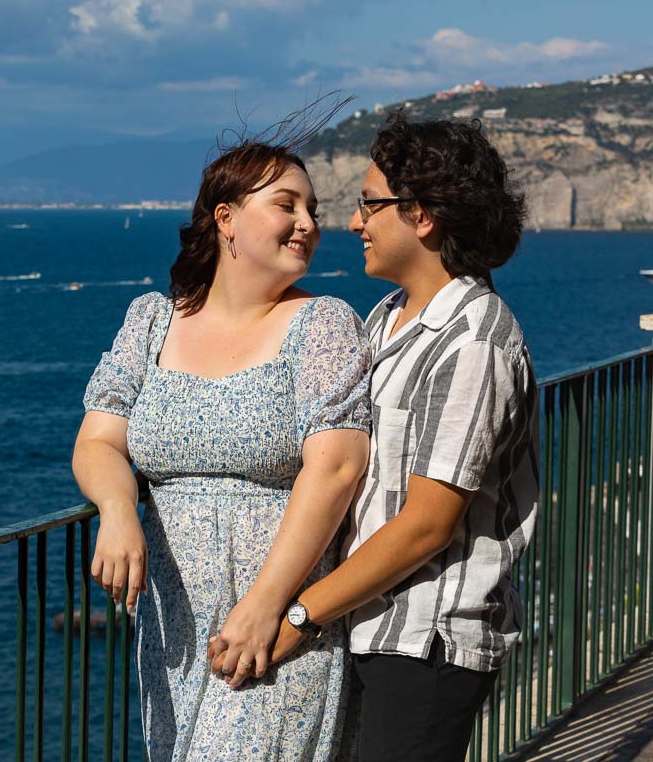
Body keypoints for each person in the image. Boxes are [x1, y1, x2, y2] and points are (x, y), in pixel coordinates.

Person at [213, 112, 539, 762]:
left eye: (369, 205)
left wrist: (298, 615)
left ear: (422, 216)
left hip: (424, 642)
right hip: (363, 626)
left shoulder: (474, 340)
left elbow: (427, 524)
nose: (355, 223)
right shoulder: (386, 320)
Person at [73, 138, 372, 761]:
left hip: (273, 624)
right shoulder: (153, 320)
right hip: (173, 632)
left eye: (312, 209)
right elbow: (98, 440)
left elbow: (338, 465)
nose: (309, 224)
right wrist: (118, 510)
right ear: (226, 218)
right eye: (287, 204)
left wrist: (267, 607)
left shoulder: (322, 323)